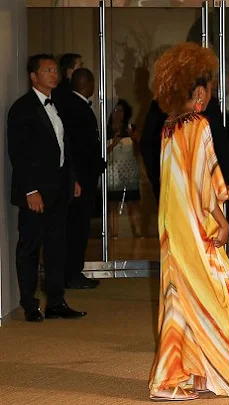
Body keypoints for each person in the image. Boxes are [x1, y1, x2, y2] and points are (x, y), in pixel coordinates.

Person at [148, 42, 229, 401]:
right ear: (199, 91)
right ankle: (197, 373)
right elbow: (205, 181)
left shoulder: (169, 127)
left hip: (173, 223)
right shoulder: (198, 124)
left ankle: (189, 374)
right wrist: (223, 216)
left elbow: (180, 180)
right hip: (196, 223)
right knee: (212, 290)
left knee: (179, 294)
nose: (211, 94)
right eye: (211, 88)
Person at [7, 54, 87, 322]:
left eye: (55, 70)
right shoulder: (22, 108)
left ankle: (55, 301)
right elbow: (19, 153)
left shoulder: (58, 104)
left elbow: (65, 147)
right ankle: (29, 303)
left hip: (59, 189)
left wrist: (72, 178)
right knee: (30, 247)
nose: (55, 74)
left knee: (56, 248)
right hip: (36, 193)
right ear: (34, 76)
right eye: (48, 70)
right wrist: (30, 190)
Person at [62, 68, 105, 289]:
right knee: (78, 227)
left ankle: (71, 272)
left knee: (76, 226)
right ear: (87, 84)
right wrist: (97, 164)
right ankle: (72, 273)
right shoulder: (77, 108)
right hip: (81, 179)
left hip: (80, 176)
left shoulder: (71, 105)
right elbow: (81, 147)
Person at [106, 99, 143, 238]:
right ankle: (113, 234)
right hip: (113, 171)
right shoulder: (106, 129)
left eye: (120, 110)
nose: (117, 113)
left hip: (130, 172)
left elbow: (139, 150)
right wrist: (113, 144)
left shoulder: (131, 128)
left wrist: (134, 137)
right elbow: (102, 153)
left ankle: (138, 233)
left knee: (133, 202)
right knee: (113, 203)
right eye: (115, 110)